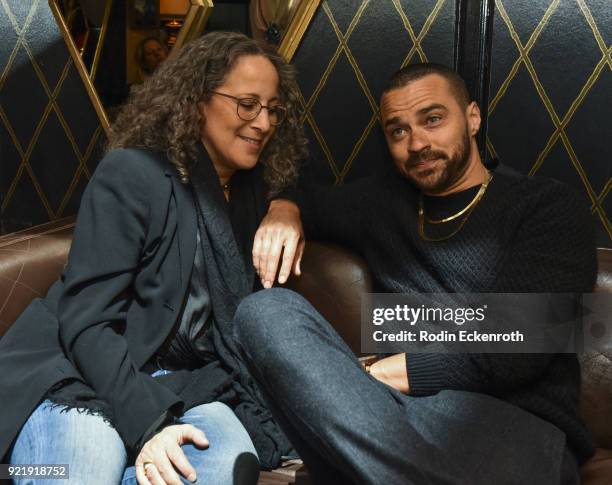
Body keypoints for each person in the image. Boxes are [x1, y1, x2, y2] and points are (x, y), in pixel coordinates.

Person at [234, 63, 597, 484]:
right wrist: (285, 210)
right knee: (265, 312)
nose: (417, 143)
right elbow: (306, 198)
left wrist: (368, 378)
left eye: (433, 119)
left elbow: (519, 347)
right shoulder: (380, 206)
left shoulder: (546, 207)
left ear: (473, 117)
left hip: (514, 426)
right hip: (392, 424)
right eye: (398, 131)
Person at [0, 31, 306, 485]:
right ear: (198, 100)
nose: (263, 122)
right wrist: (151, 424)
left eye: (273, 108)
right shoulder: (133, 173)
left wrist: (288, 209)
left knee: (223, 465)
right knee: (86, 467)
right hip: (80, 372)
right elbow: (86, 321)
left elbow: (343, 201)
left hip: (186, 383)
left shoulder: (249, 193)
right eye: (247, 104)